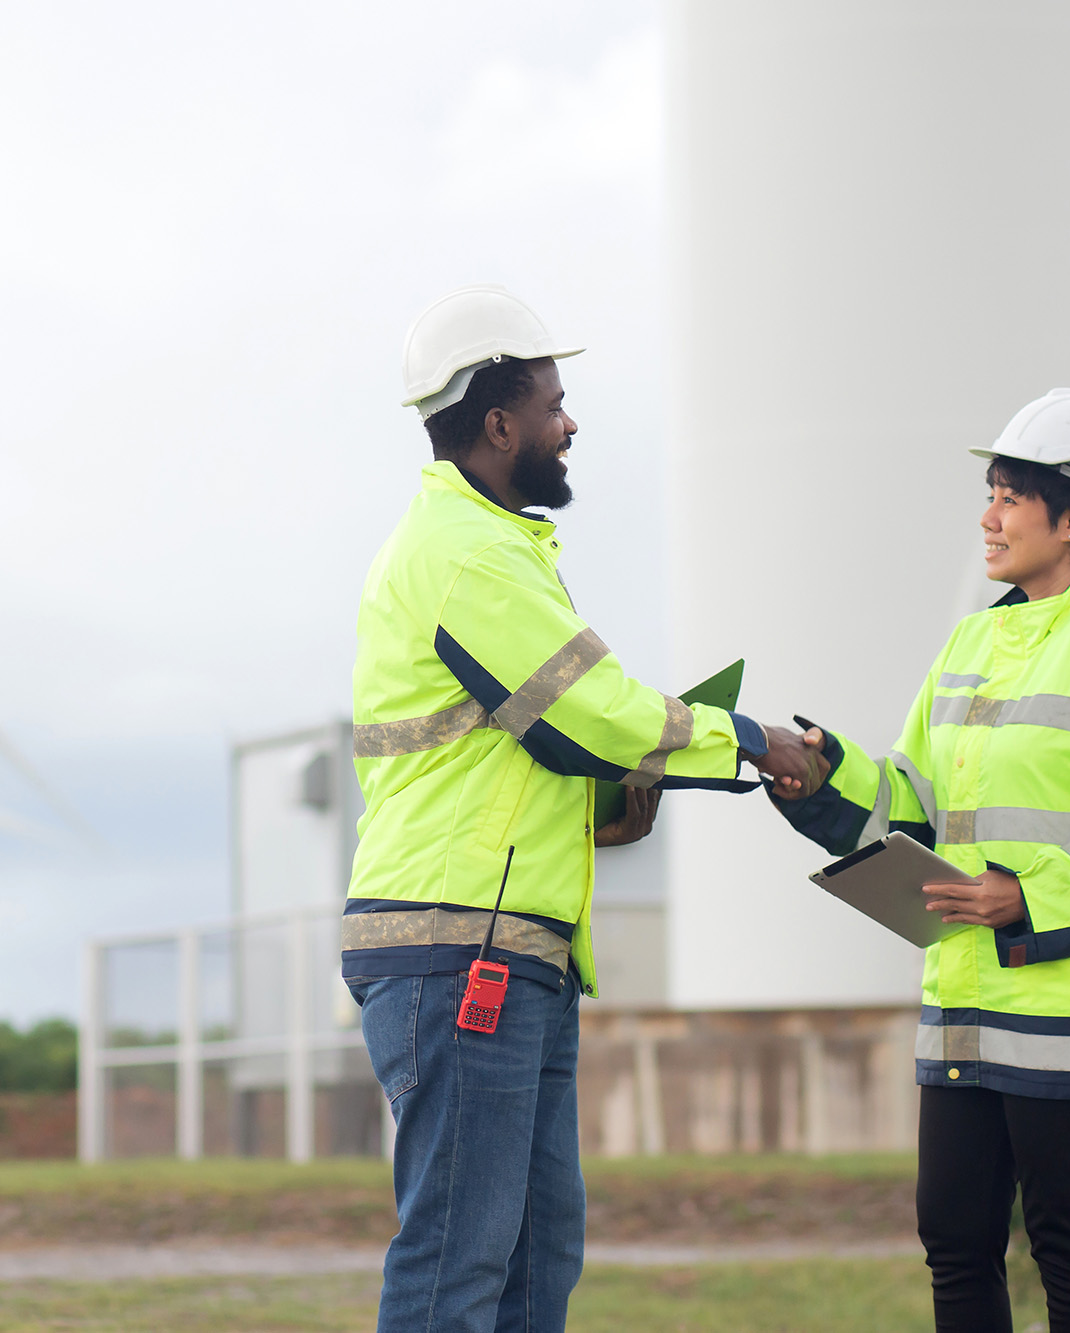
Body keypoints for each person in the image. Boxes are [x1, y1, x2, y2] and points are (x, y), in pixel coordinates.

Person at [346, 284, 814, 1332]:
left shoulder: (492, 550)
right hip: (456, 940)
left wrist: (609, 803)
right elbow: (585, 713)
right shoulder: (469, 555)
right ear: (498, 422)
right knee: (457, 1258)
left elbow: (535, 746)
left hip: (511, 943)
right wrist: (743, 739)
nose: (570, 421)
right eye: (554, 401)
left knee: (533, 1253)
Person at [763, 388, 1070, 1333]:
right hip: (959, 999)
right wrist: (826, 778)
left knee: (1067, 1241)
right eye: (990, 491)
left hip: (1065, 1006)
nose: (986, 516)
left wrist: (1026, 896)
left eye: (1008, 495)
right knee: (954, 1240)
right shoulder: (972, 642)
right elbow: (915, 801)